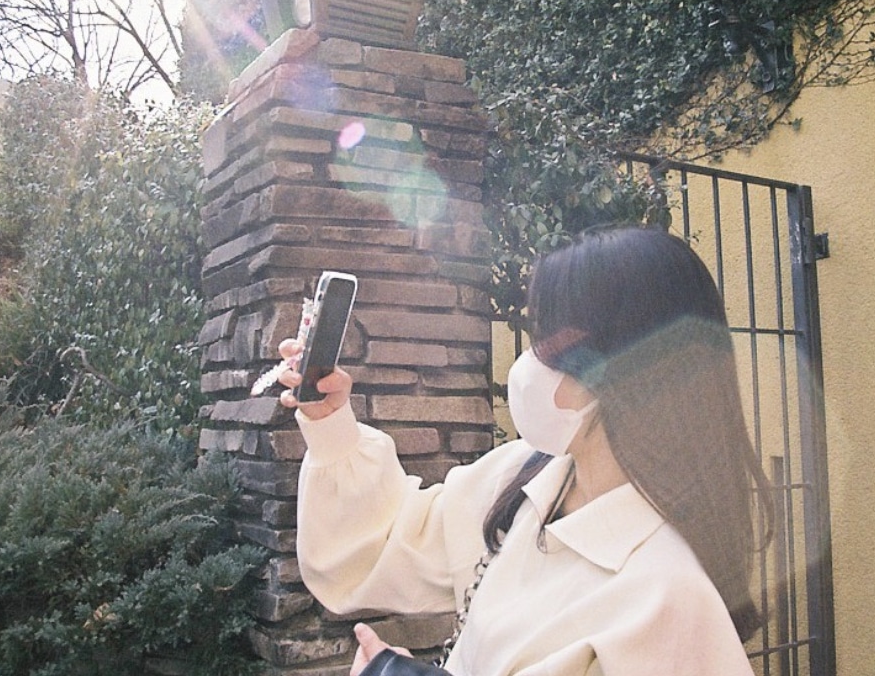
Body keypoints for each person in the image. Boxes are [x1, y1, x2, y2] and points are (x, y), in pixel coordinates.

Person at [277, 225, 773, 676]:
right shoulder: (526, 478)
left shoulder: (667, 598)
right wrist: (330, 423)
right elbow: (387, 544)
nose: (529, 363)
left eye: (549, 343)